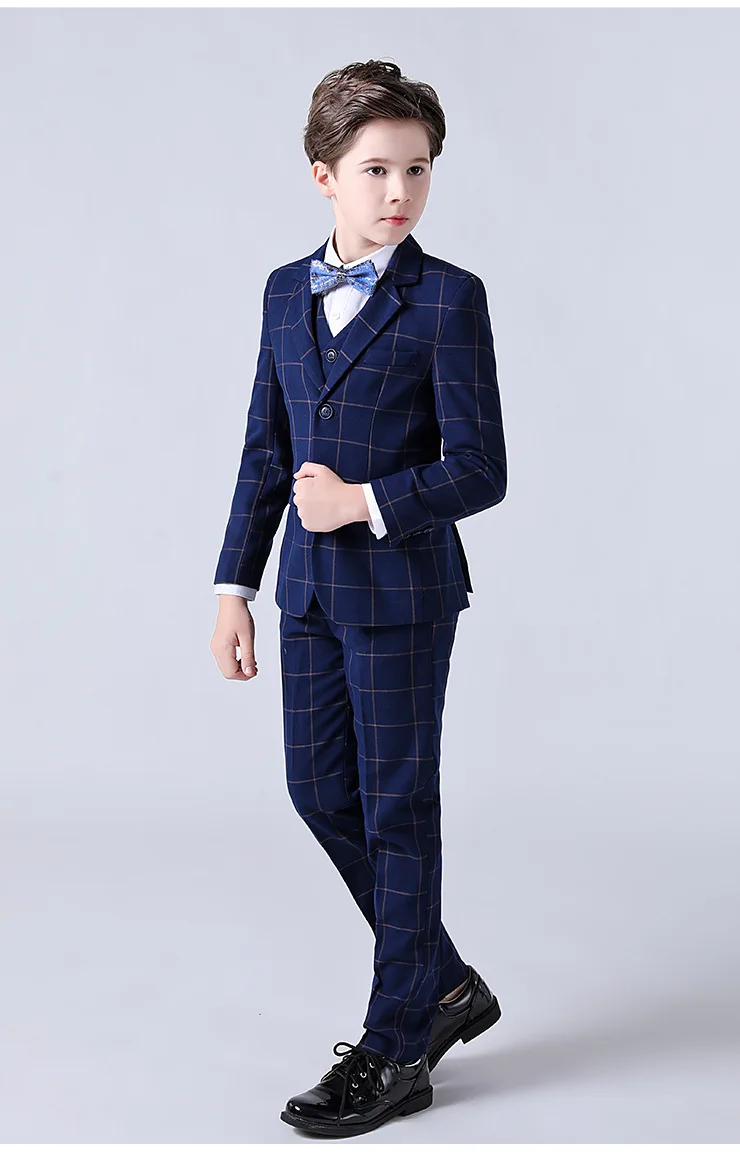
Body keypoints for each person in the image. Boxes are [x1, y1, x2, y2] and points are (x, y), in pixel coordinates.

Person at [210, 58, 507, 1138]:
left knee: (397, 808)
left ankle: (397, 1043)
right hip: (307, 596)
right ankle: (440, 979)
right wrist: (234, 584)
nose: (399, 192)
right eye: (376, 169)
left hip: (404, 595)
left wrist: (366, 501)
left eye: (417, 170)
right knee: (317, 789)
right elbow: (265, 448)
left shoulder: (449, 299)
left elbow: (480, 468)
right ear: (322, 175)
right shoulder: (282, 292)